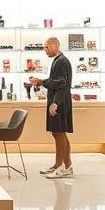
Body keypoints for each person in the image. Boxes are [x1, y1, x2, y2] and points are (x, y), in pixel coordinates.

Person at [28, 37, 73, 178]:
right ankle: (67, 165)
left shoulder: (61, 62)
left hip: (59, 102)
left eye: (46, 47)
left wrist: (55, 102)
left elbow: (61, 83)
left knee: (59, 133)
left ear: (54, 46)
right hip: (59, 101)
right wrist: (41, 82)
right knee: (59, 133)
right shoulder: (59, 60)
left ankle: (60, 167)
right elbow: (58, 81)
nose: (45, 50)